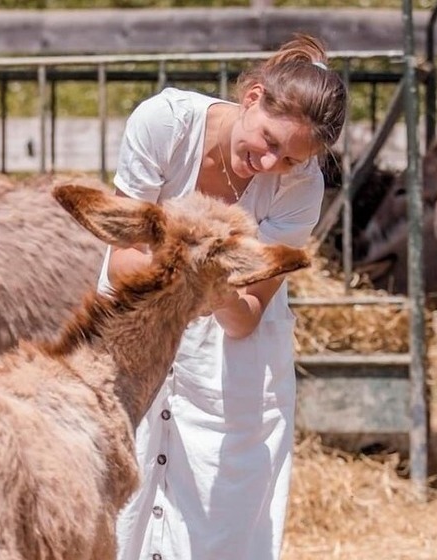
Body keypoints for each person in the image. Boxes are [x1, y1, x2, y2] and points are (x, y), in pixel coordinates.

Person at [99, 34, 348, 560]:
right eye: (269, 140)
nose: (269, 162)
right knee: (121, 497)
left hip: (230, 354)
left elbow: (245, 318)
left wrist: (212, 290)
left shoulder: (301, 186)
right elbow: (123, 262)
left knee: (219, 517)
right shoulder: (164, 124)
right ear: (253, 97)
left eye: (288, 157)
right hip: (141, 324)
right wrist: (189, 274)